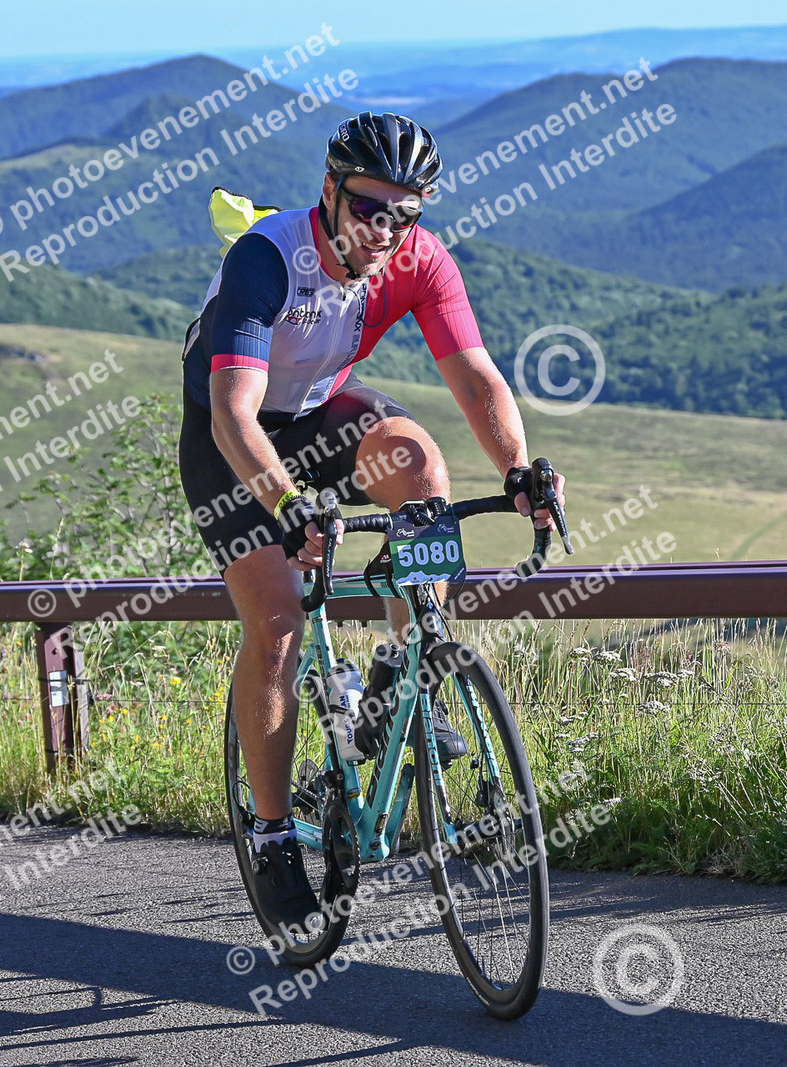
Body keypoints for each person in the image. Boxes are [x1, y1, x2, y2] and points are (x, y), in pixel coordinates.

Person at [178, 112, 564, 931]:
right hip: (232, 441)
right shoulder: (266, 259)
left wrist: (517, 470)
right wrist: (286, 505)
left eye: (404, 213)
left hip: (319, 416)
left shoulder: (419, 259)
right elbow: (234, 411)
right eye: (367, 207)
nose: (384, 229)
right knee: (278, 621)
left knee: (420, 468)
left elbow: (476, 377)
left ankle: (404, 681)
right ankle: (273, 833)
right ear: (329, 190)